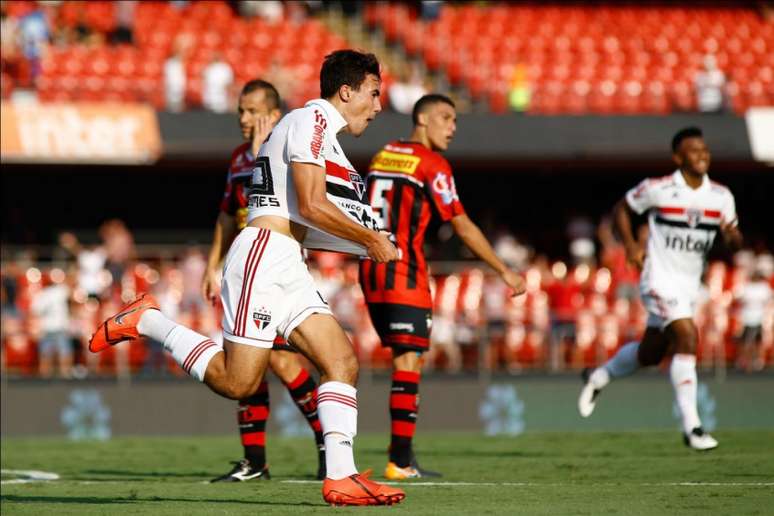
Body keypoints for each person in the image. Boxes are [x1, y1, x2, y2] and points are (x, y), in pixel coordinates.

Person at [89, 50, 405, 506]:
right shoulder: (309, 122)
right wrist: (370, 240)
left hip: (288, 260)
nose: (378, 107)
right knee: (238, 382)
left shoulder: (325, 137)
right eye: (374, 95)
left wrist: (368, 239)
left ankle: (341, 477)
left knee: (342, 361)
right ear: (347, 90)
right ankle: (147, 321)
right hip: (262, 254)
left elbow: (312, 221)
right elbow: (312, 204)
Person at [359, 94, 526, 479]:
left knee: (405, 361)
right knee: (408, 362)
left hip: (370, 269)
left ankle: (397, 454)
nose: (452, 127)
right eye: (445, 118)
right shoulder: (432, 164)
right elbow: (462, 224)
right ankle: (400, 460)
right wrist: (503, 269)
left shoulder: (384, 154)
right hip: (403, 271)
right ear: (421, 118)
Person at [578, 126, 742, 451]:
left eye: (705, 150)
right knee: (686, 336)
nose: (702, 156)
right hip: (657, 279)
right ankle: (692, 427)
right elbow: (621, 209)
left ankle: (598, 377)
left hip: (689, 286)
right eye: (694, 151)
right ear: (678, 157)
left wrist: (731, 237)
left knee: (650, 354)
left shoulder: (721, 197)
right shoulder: (659, 188)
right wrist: (630, 246)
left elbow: (736, 240)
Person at [202, 79, 325, 482]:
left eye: (252, 110)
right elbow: (225, 214)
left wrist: (261, 157)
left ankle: (325, 444)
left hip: (276, 268)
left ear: (274, 115)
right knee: (251, 362)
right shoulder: (239, 157)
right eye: (240, 110)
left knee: (284, 362)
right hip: (244, 270)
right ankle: (256, 460)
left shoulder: (288, 147)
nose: (243, 118)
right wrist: (211, 265)